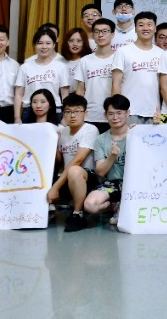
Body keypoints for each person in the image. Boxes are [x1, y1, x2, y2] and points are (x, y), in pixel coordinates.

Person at [49, 94, 99, 232]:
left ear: (85, 113)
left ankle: (78, 214)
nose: (72, 115)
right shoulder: (62, 132)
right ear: (63, 114)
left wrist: (55, 187)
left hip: (88, 178)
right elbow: (59, 161)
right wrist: (54, 144)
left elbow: (78, 160)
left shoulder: (90, 130)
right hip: (67, 178)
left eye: (77, 111)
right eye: (68, 111)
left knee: (74, 170)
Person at [83, 95, 131, 228]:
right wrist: (112, 156)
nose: (115, 117)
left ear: (128, 113)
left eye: (119, 113)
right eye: (111, 114)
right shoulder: (101, 139)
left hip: (134, 183)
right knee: (90, 205)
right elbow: (100, 171)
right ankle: (114, 206)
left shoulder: (136, 134)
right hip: (112, 184)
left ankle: (123, 206)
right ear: (105, 115)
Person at [112, 11, 164, 126]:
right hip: (129, 112)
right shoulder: (123, 51)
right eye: (141, 25)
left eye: (149, 24)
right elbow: (116, 84)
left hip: (154, 113)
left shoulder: (161, 54)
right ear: (135, 29)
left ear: (155, 28)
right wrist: (117, 110)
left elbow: (163, 86)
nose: (145, 28)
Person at [14, 28, 69, 124]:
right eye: (40, 43)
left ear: (54, 45)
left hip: (54, 110)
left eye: (48, 43)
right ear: (34, 45)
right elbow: (18, 94)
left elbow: (65, 95)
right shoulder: (25, 67)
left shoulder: (61, 67)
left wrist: (65, 116)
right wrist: (17, 117)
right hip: (29, 110)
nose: (44, 47)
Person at [74, 17, 117, 132]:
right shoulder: (85, 61)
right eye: (97, 31)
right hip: (90, 115)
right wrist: (78, 112)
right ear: (93, 35)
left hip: (114, 116)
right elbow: (80, 90)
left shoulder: (120, 58)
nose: (100, 35)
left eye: (105, 31)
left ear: (112, 34)